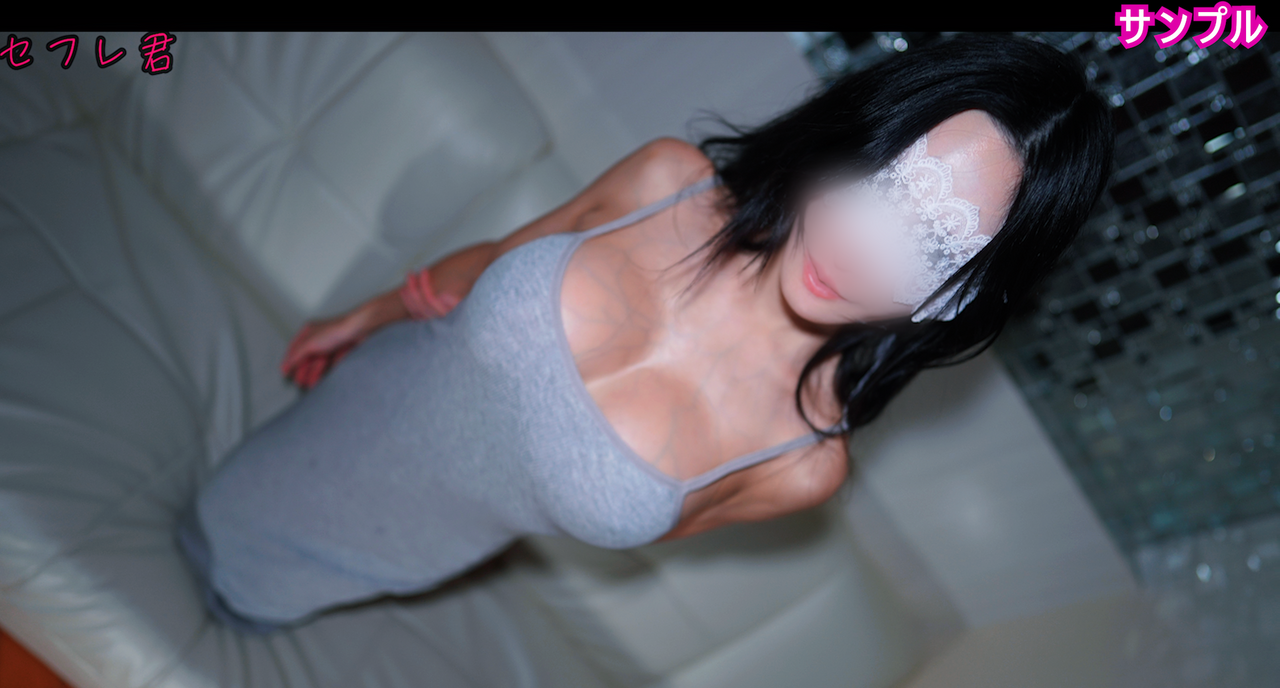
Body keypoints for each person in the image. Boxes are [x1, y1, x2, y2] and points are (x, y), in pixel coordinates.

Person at [174, 33, 1115, 634]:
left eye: (935, 241)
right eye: (891, 182)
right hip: (347, 409)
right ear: (855, 136)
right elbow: (494, 259)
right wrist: (371, 311)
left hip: (396, 554)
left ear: (962, 296)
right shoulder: (664, 181)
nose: (859, 249)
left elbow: (588, 504)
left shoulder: (802, 467)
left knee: (247, 605)